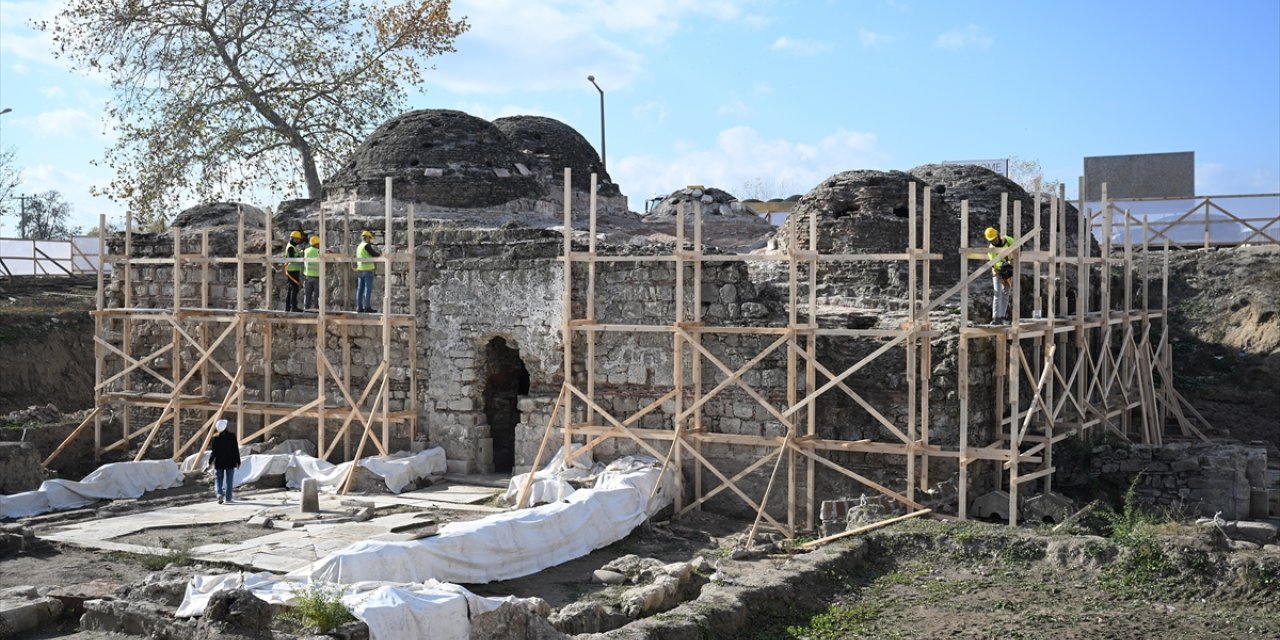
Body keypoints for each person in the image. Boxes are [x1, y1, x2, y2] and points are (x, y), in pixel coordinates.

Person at [985, 227, 1016, 324]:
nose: (994, 241)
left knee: (1005, 294)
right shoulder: (991, 249)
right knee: (997, 293)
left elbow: (1018, 247)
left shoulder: (1008, 240)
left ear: (997, 235)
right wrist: (1007, 263)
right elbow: (996, 264)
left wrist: (1012, 261)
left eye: (995, 238)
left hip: (1008, 271)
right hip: (998, 271)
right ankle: (996, 318)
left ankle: (1002, 317)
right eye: (992, 240)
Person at [209, 419, 241, 504]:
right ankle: (228, 498)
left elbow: (214, 452)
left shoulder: (216, 438)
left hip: (219, 463)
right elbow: (235, 450)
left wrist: (210, 461)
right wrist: (238, 461)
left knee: (218, 479)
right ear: (226, 426)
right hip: (230, 462)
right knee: (229, 480)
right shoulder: (232, 436)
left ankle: (219, 494)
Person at [354, 229, 382, 313]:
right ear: (367, 238)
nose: (370, 240)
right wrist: (380, 254)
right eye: (369, 238)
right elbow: (373, 254)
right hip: (367, 270)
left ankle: (359, 307)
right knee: (367, 289)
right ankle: (367, 307)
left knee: (360, 290)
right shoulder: (366, 246)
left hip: (360, 270)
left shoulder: (359, 247)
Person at [283, 230, 304, 312]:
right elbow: (292, 259)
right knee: (294, 289)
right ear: (294, 239)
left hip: (291, 270)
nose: (298, 241)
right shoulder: (291, 247)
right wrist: (300, 258)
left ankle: (288, 307)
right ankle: (293, 307)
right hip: (292, 270)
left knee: (290, 289)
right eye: (297, 239)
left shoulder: (291, 246)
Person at [303, 234, 321, 310]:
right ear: (317, 244)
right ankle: (316, 307)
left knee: (307, 293)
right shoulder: (319, 251)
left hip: (307, 276)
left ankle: (306, 307)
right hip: (317, 276)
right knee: (317, 293)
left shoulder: (306, 251)